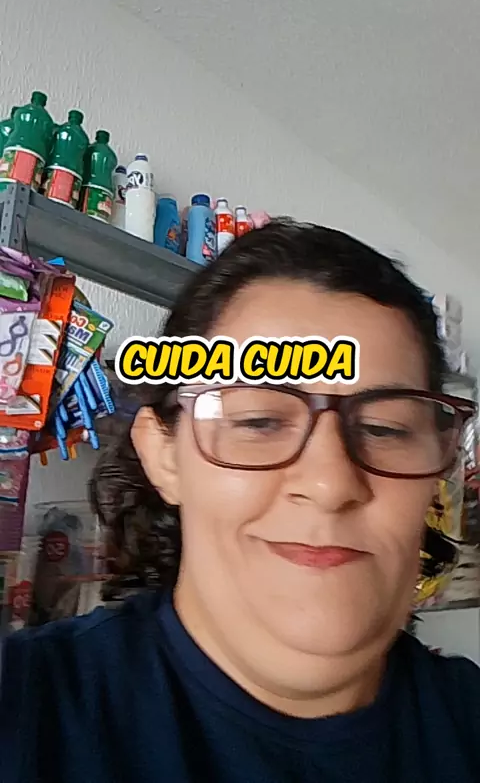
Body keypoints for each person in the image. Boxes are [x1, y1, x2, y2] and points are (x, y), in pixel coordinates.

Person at [1, 219, 480, 783]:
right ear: (164, 455)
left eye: (384, 428)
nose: (330, 484)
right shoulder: (25, 709)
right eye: (258, 421)